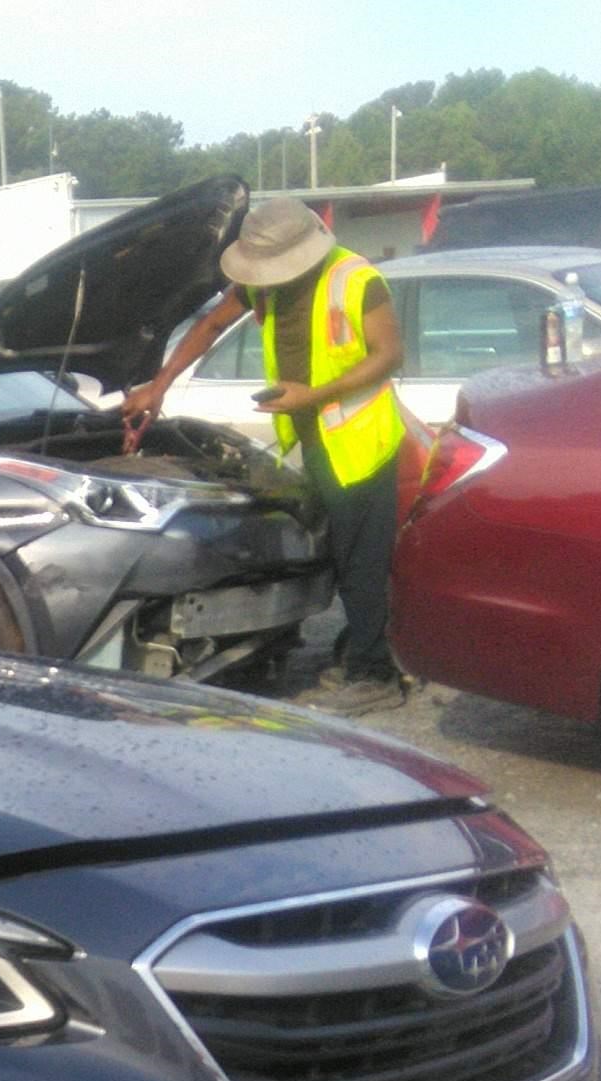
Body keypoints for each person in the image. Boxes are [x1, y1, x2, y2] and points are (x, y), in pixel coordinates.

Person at [121, 197, 409, 716]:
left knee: (360, 561)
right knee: (331, 554)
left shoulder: (357, 281)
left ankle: (375, 676)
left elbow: (389, 355)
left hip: (360, 442)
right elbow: (209, 325)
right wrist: (158, 386)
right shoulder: (262, 282)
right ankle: (361, 645)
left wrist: (313, 398)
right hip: (316, 437)